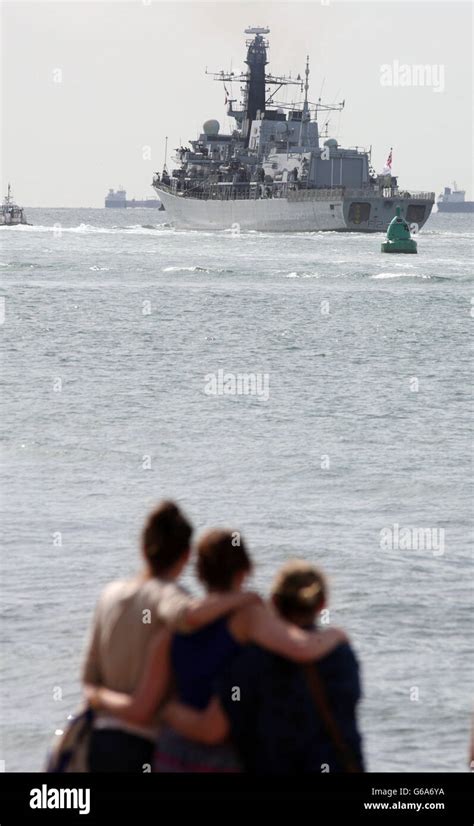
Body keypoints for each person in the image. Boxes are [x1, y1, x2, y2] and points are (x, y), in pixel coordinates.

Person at [88, 533, 343, 772]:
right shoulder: (247, 624)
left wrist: (100, 695)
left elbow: (146, 704)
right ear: (245, 571)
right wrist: (334, 635)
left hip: (170, 754)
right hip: (221, 759)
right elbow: (299, 649)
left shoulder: (171, 632)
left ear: (200, 574)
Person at [82, 503, 258, 772]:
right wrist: (246, 598)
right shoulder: (167, 594)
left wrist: (100, 698)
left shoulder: (109, 595)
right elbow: (188, 615)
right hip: (144, 745)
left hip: (99, 740)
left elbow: (89, 679)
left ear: (142, 547)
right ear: (186, 555)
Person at [162, 560, 365, 773]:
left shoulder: (251, 659)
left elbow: (212, 729)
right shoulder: (342, 655)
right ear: (322, 603)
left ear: (274, 602)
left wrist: (167, 710)